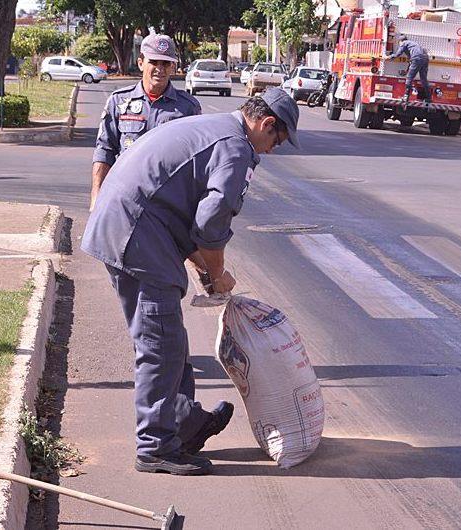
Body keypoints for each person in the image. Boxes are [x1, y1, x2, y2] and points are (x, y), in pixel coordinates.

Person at [81, 87, 300, 476]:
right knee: (159, 344)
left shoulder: (215, 127)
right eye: (276, 141)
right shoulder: (236, 149)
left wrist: (204, 269)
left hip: (136, 228)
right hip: (136, 236)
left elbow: (182, 208)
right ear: (266, 124)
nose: (271, 150)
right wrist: (216, 274)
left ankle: (181, 425)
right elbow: (210, 225)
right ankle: (155, 447)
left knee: (170, 338)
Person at [91, 33, 202, 211]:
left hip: (169, 206)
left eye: (166, 63)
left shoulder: (188, 107)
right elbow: (105, 150)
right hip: (124, 199)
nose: (160, 68)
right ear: (141, 62)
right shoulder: (119, 102)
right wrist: (96, 196)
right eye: (154, 62)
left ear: (173, 66)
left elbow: (197, 161)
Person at [388, 35, 430, 103]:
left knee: (409, 78)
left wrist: (389, 57)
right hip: (425, 59)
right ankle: (429, 98)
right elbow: (412, 61)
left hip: (417, 59)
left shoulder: (404, 43)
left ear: (400, 41)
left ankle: (406, 96)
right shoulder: (414, 44)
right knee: (423, 79)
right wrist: (407, 70)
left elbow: (397, 54)